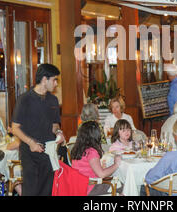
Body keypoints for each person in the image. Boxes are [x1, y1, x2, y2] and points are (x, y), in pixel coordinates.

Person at [12, 64, 64, 196]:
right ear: (44, 79)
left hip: (49, 152)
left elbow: (54, 125)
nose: (56, 84)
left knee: (47, 190)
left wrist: (59, 132)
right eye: (54, 80)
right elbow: (15, 128)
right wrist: (31, 143)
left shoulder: (53, 100)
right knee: (31, 191)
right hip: (29, 153)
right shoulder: (25, 99)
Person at [71, 121, 122, 195]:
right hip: (91, 188)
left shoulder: (77, 149)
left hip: (79, 187)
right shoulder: (91, 152)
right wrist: (116, 164)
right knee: (124, 186)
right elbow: (101, 174)